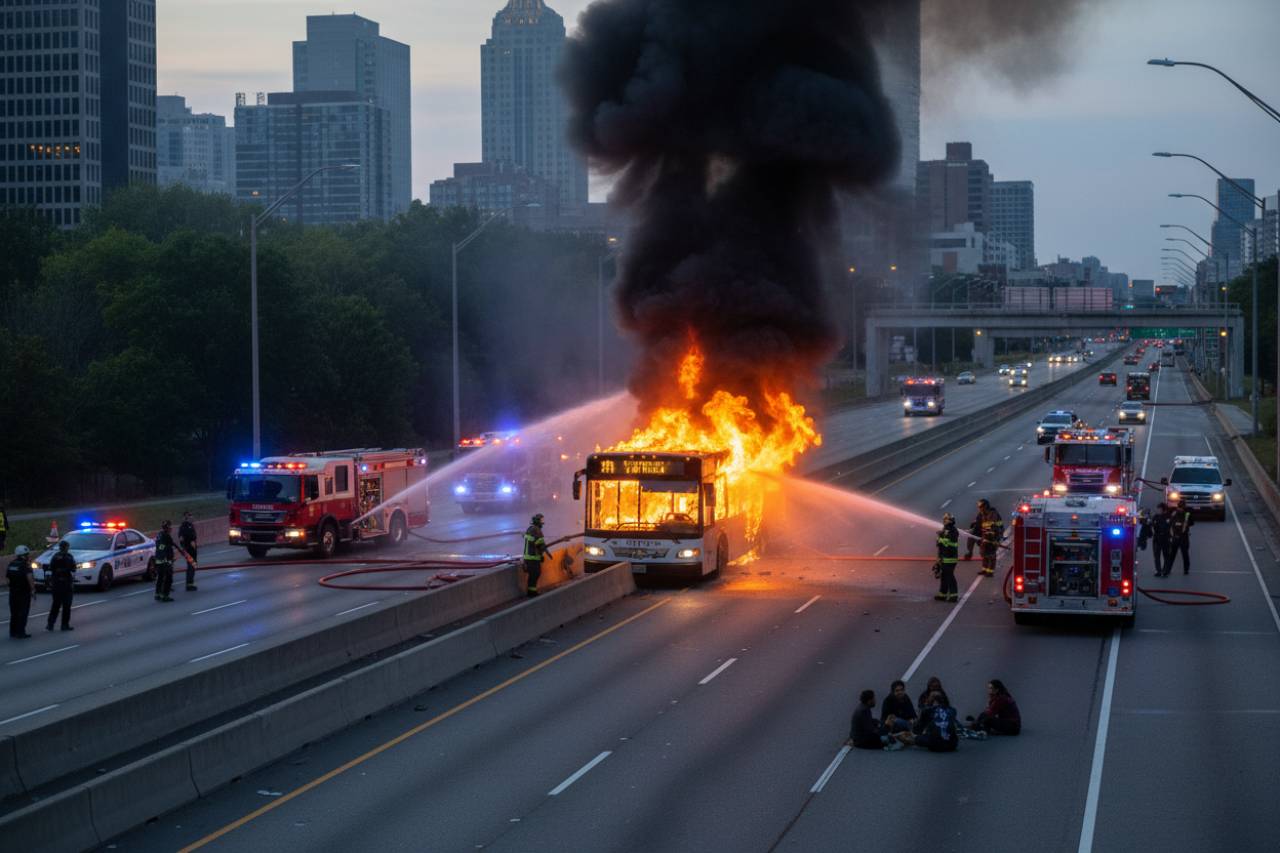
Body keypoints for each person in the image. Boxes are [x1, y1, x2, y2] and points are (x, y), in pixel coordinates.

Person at [6, 545, 36, 639]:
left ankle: (13, 632)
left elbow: (7, 579)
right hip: (23, 592)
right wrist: (33, 590)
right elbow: (29, 578)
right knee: (23, 613)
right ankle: (21, 632)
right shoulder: (25, 565)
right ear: (23, 555)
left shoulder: (11, 564)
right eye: (27, 554)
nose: (28, 556)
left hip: (13, 592)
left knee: (14, 613)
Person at [46, 540, 75, 631]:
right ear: (66, 547)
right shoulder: (69, 557)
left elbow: (50, 567)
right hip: (66, 583)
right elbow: (73, 569)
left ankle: (50, 624)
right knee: (66, 606)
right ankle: (64, 625)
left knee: (55, 605)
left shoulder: (55, 556)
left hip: (56, 583)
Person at [1137, 503, 1172, 577]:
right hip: (1156, 539)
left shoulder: (1169, 517)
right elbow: (1150, 524)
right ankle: (1158, 571)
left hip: (1166, 539)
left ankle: (1165, 571)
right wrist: (1145, 520)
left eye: (1159, 509)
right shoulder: (1156, 517)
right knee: (1156, 556)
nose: (1157, 510)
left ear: (1163, 509)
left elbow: (1167, 527)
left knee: (1166, 556)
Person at [523, 513, 548, 598]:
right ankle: (532, 592)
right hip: (532, 557)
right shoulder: (536, 530)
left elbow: (534, 543)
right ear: (537, 521)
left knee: (533, 574)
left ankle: (531, 591)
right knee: (535, 574)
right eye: (541, 521)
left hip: (530, 557)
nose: (542, 523)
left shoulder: (531, 529)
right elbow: (537, 543)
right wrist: (542, 550)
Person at [935, 513, 960, 602]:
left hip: (950, 557)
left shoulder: (953, 530)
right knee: (944, 576)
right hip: (944, 557)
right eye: (945, 519)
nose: (945, 521)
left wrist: (940, 538)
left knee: (949, 576)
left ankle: (954, 595)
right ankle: (943, 594)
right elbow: (940, 544)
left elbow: (949, 543)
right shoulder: (945, 529)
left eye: (947, 520)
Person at [1167, 499, 1194, 575]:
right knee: (1172, 554)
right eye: (1179, 507)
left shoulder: (1186, 514)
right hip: (1176, 536)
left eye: (1181, 507)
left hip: (1183, 537)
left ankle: (1185, 570)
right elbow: (1170, 522)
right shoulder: (1175, 513)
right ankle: (1168, 569)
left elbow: (1191, 523)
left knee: (1184, 554)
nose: (1180, 509)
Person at [978, 500, 1004, 577]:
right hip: (986, 536)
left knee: (991, 554)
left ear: (985, 506)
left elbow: (993, 528)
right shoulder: (984, 514)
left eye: (981, 507)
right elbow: (984, 526)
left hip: (994, 536)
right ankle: (985, 569)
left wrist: (994, 540)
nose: (979, 509)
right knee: (984, 552)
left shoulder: (992, 514)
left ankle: (990, 572)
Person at [154, 520, 177, 602]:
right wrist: (167, 560)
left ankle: (158, 594)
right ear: (167, 528)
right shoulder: (165, 536)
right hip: (164, 561)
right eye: (170, 527)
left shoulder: (160, 535)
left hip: (159, 561)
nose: (171, 528)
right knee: (168, 578)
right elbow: (162, 548)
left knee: (160, 578)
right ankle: (165, 595)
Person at [178, 511, 198, 591]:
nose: (192, 518)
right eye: (190, 516)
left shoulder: (189, 525)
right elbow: (183, 538)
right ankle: (189, 585)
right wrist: (186, 546)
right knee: (191, 566)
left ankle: (190, 583)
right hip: (189, 550)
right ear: (187, 517)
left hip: (190, 549)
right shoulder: (185, 526)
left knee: (192, 566)